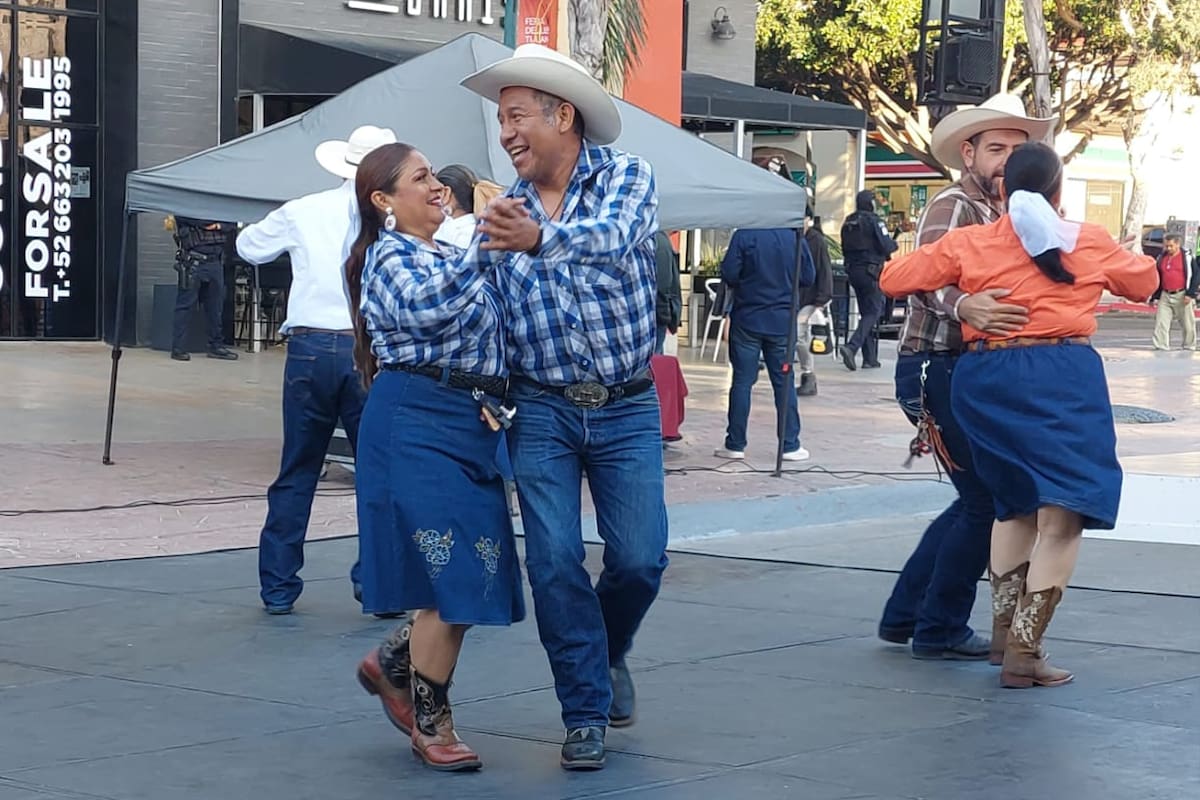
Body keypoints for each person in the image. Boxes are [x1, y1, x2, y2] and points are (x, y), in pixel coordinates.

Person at [461, 43, 669, 770]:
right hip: (542, 410)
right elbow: (476, 308)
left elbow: (613, 242)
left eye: (517, 116)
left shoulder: (627, 177)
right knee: (552, 563)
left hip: (626, 405)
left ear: (564, 116)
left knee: (641, 560)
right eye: (501, 121)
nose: (507, 133)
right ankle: (583, 708)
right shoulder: (502, 214)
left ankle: (606, 652)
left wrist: (541, 237)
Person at [881, 141, 1157, 687]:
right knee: (1063, 515)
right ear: (1058, 193)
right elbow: (1147, 283)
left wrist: (961, 300)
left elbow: (894, 278)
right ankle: (1025, 654)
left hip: (984, 379)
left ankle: (1004, 639)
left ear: (1004, 190)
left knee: (1011, 508)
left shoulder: (970, 240)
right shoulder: (1087, 240)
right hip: (1060, 377)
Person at [348, 143, 525, 772]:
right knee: (448, 577)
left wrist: (500, 403)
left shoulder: (450, 253)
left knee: (475, 571)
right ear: (383, 200)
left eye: (433, 175)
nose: (435, 185)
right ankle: (431, 718)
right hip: (413, 421)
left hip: (466, 425)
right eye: (419, 178)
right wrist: (486, 242)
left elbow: (500, 334)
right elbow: (429, 310)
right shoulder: (387, 258)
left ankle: (395, 660)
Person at [878, 93, 1052, 663]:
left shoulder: (1014, 213)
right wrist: (965, 306)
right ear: (968, 153)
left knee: (973, 499)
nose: (1006, 159)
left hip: (966, 370)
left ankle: (908, 616)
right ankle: (938, 628)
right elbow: (918, 275)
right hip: (938, 365)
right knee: (986, 501)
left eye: (1016, 149)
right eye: (995, 148)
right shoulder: (957, 205)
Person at [236, 125, 396, 615]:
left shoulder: (304, 209)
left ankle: (279, 587)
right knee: (377, 472)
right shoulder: (391, 219)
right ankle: (377, 586)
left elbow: (249, 246)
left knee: (298, 467)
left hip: (309, 346)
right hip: (365, 348)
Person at [714, 157, 815, 461]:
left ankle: (735, 444)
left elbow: (730, 273)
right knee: (784, 384)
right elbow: (808, 276)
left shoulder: (745, 234)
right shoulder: (794, 237)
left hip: (747, 318)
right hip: (782, 321)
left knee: (742, 382)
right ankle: (790, 444)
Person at [839, 190, 897, 370]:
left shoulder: (849, 221)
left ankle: (869, 357)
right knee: (875, 312)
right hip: (871, 272)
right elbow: (887, 245)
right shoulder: (874, 221)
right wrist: (894, 243)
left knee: (867, 314)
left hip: (853, 271)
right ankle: (852, 347)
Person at [168, 216, 239, 362]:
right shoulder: (186, 204)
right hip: (193, 261)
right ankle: (178, 348)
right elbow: (192, 219)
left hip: (215, 262)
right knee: (185, 306)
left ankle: (216, 346)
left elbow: (232, 223)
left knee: (216, 307)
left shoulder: (218, 206)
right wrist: (213, 223)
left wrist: (218, 225)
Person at [796, 209, 834, 396]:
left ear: (808, 220)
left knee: (798, 334)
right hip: (791, 298)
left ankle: (808, 375)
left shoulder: (816, 241)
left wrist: (821, 299)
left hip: (810, 299)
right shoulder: (790, 238)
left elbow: (824, 269)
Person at [1150, 233, 1198, 350]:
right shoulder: (1162, 257)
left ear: (1178, 244)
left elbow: (1196, 276)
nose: (1168, 248)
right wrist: (1154, 296)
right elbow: (1158, 277)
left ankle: (1189, 346)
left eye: (1171, 246)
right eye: (1166, 246)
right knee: (1161, 321)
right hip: (1166, 294)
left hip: (1182, 294)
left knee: (1187, 323)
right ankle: (1161, 345)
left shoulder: (1186, 257)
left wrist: (1190, 294)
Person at [654, 230, 682, 353]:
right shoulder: (660, 241)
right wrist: (666, 316)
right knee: (655, 363)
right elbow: (663, 284)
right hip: (656, 316)